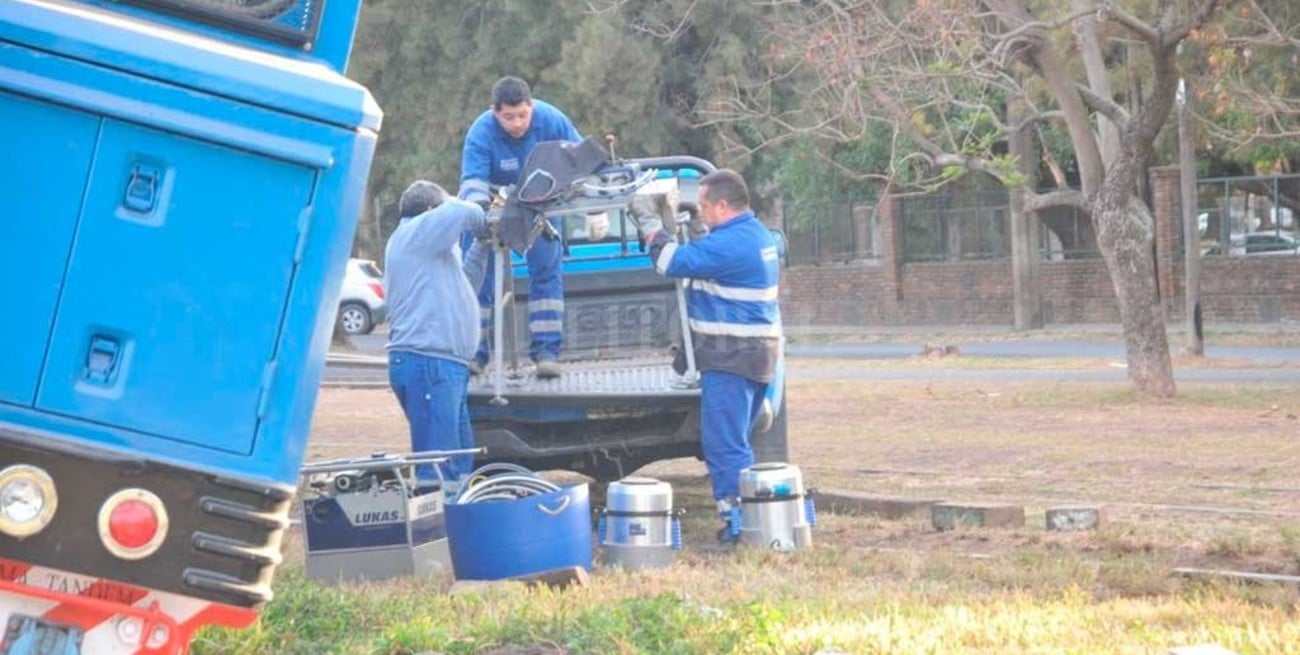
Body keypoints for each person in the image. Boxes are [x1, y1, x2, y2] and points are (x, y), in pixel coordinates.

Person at [636, 169, 782, 543]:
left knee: (724, 443)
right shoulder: (755, 235)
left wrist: (651, 223)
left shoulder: (729, 245)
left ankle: (738, 524)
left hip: (730, 357)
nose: (699, 212)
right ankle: (752, 519)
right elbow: (713, 263)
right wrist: (694, 228)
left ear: (722, 204)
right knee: (738, 441)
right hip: (756, 355)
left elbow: (669, 262)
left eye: (703, 206)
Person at [459, 76, 605, 379]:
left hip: (541, 206)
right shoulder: (480, 132)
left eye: (522, 115)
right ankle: (475, 354)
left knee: (547, 274)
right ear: (494, 112)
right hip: (494, 208)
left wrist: (597, 206)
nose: (516, 123)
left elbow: (583, 161)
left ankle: (547, 354)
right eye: (508, 117)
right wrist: (481, 216)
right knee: (478, 281)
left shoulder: (552, 120)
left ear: (531, 106)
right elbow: (472, 181)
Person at [384, 180, 490, 494]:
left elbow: (465, 281)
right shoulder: (414, 234)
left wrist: (483, 245)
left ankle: (452, 531)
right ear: (431, 212)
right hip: (428, 363)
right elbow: (460, 209)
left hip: (442, 366)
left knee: (457, 460)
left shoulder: (430, 251)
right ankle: (436, 533)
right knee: (438, 469)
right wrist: (486, 213)